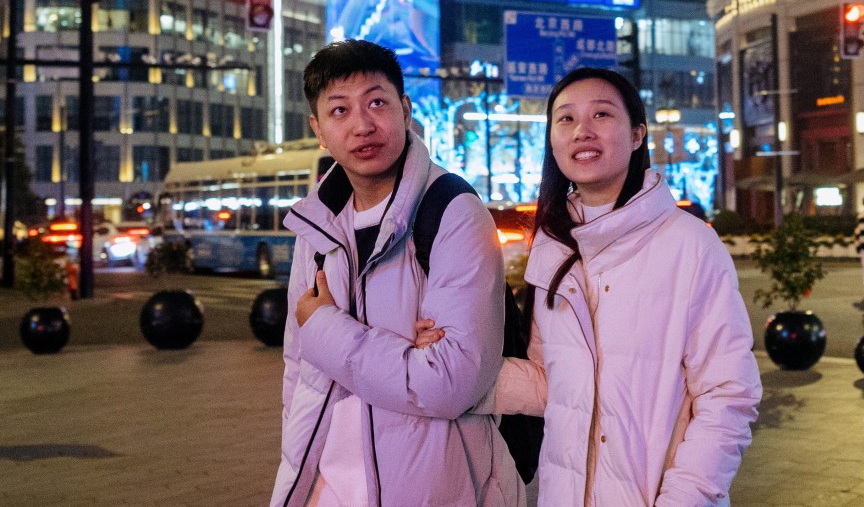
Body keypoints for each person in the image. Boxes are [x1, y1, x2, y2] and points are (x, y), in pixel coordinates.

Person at [417, 67, 762, 505]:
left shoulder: (689, 244)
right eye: (566, 119)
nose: (582, 130)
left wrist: (685, 498)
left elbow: (728, 394)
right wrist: (452, 367)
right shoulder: (553, 247)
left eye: (601, 115)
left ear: (637, 135)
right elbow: (552, 383)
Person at [270, 40, 524, 507]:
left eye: (377, 102)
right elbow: (299, 372)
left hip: (432, 486)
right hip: (324, 486)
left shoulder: (451, 211)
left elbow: (449, 384)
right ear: (319, 131)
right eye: (340, 110)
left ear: (405, 110)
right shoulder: (317, 225)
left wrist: (327, 328)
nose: (363, 124)